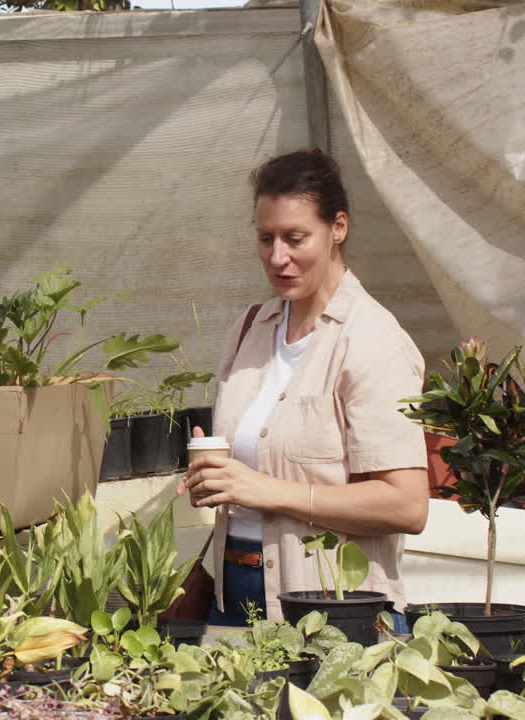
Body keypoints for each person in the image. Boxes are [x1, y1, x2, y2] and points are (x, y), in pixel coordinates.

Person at [179, 149, 429, 626]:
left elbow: (407, 504)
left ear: (338, 228)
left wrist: (262, 488)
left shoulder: (370, 340)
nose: (278, 257)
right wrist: (216, 478)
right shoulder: (251, 327)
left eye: (296, 238)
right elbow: (250, 476)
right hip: (236, 597)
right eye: (265, 238)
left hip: (333, 608)